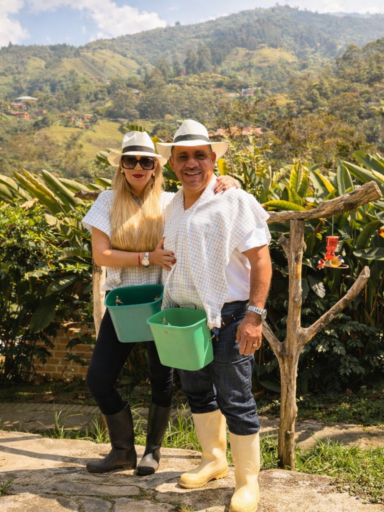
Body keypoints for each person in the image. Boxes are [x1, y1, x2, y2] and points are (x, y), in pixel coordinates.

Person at [81, 130, 239, 475]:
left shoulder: (171, 199)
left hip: (163, 301)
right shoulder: (106, 201)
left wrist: (229, 180)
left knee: (161, 378)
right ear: (121, 166)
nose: (138, 166)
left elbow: (208, 195)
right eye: (131, 160)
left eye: (146, 161)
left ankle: (152, 450)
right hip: (123, 303)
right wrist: (146, 258)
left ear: (156, 166)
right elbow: (101, 254)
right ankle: (122, 449)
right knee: (99, 378)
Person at [157, 120, 272, 512]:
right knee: (196, 390)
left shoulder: (233, 200)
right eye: (183, 156)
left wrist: (254, 317)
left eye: (199, 156)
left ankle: (247, 482)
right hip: (186, 318)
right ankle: (214, 460)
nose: (192, 163)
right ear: (172, 163)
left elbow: (261, 261)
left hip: (232, 315)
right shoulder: (172, 205)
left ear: (213, 162)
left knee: (236, 397)